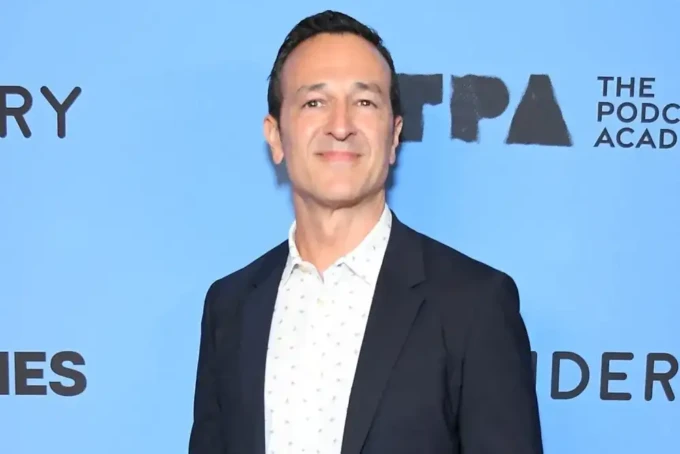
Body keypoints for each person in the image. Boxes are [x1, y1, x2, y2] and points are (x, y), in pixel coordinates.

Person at [188, 9, 543, 454]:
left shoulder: (474, 304)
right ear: (275, 136)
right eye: (314, 102)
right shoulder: (230, 307)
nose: (341, 126)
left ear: (394, 136)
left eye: (365, 102)